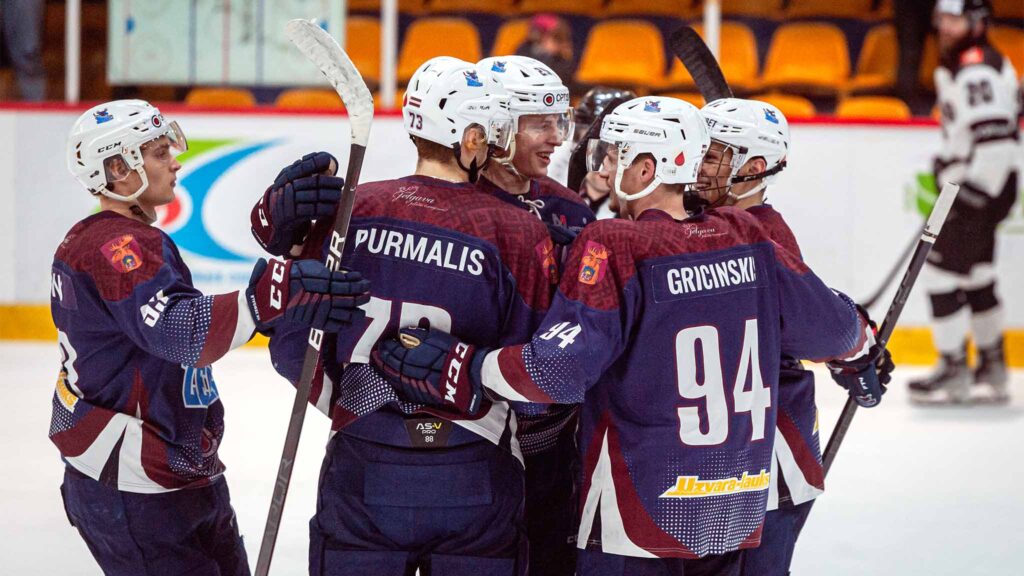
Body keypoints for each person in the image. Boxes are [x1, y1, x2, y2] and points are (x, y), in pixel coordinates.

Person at [373, 96, 891, 575]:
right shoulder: (748, 234)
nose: (601, 170)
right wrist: (863, 351)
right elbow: (838, 331)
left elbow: (556, 374)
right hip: (735, 507)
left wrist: (464, 365)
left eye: (613, 156)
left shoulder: (617, 244)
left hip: (640, 510)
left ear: (646, 169)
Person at [254, 57, 554, 576]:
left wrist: (351, 408)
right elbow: (538, 382)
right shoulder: (518, 230)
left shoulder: (352, 214)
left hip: (362, 460)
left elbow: (291, 349)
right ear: (471, 137)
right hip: (474, 463)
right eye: (491, 132)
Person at [53, 99, 369, 575]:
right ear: (118, 168)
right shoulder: (117, 246)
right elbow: (182, 332)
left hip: (172, 468)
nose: (174, 161)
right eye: (159, 152)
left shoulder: (114, 238)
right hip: (134, 483)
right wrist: (269, 295)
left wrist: (276, 301)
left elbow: (170, 328)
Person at [697, 97, 893, 575]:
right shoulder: (705, 223)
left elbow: (817, 323)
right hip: (722, 452)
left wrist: (854, 345)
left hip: (767, 457)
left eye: (711, 154)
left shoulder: (757, 233)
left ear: (753, 167)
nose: (695, 164)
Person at [475, 54, 595, 576]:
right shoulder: (454, 208)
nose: (556, 139)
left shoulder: (570, 210)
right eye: (539, 124)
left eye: (558, 122)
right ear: (496, 125)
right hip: (471, 434)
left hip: (553, 443)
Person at [909, 0, 1021, 404]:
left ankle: (953, 369)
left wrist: (970, 195)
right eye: (942, 18)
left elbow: (995, 141)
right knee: (977, 275)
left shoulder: (976, 68)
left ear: (977, 22)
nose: (945, 27)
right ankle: (993, 367)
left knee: (939, 275)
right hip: (985, 185)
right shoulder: (967, 64)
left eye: (954, 19)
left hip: (977, 187)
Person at [566, 87, 636, 219]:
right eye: (596, 150)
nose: (604, 165)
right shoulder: (551, 190)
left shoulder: (636, 211)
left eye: (613, 154)